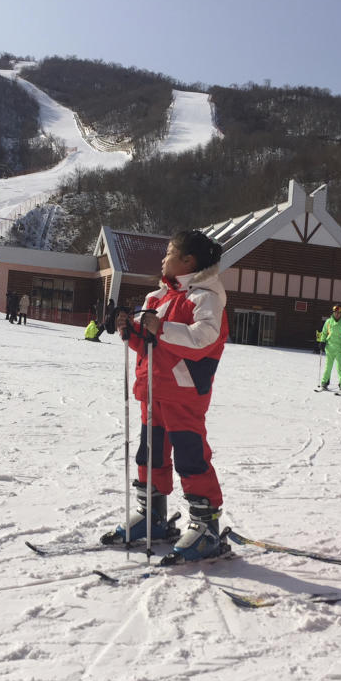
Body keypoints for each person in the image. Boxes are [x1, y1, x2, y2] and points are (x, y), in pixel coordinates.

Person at [105, 229, 229, 562]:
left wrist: (160, 328)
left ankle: (206, 527)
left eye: (169, 253)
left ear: (187, 261)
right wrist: (128, 330)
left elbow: (205, 338)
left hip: (183, 392)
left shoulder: (205, 295)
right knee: (150, 454)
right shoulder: (157, 297)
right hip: (152, 389)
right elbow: (149, 345)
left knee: (191, 457)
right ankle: (152, 515)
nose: (163, 258)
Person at [318, 305, 341, 392]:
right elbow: (324, 332)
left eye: (338, 313)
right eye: (335, 312)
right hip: (329, 347)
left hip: (340, 348)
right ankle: (324, 383)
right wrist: (322, 342)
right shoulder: (328, 322)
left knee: (339, 367)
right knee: (328, 367)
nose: (337, 314)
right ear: (333, 313)